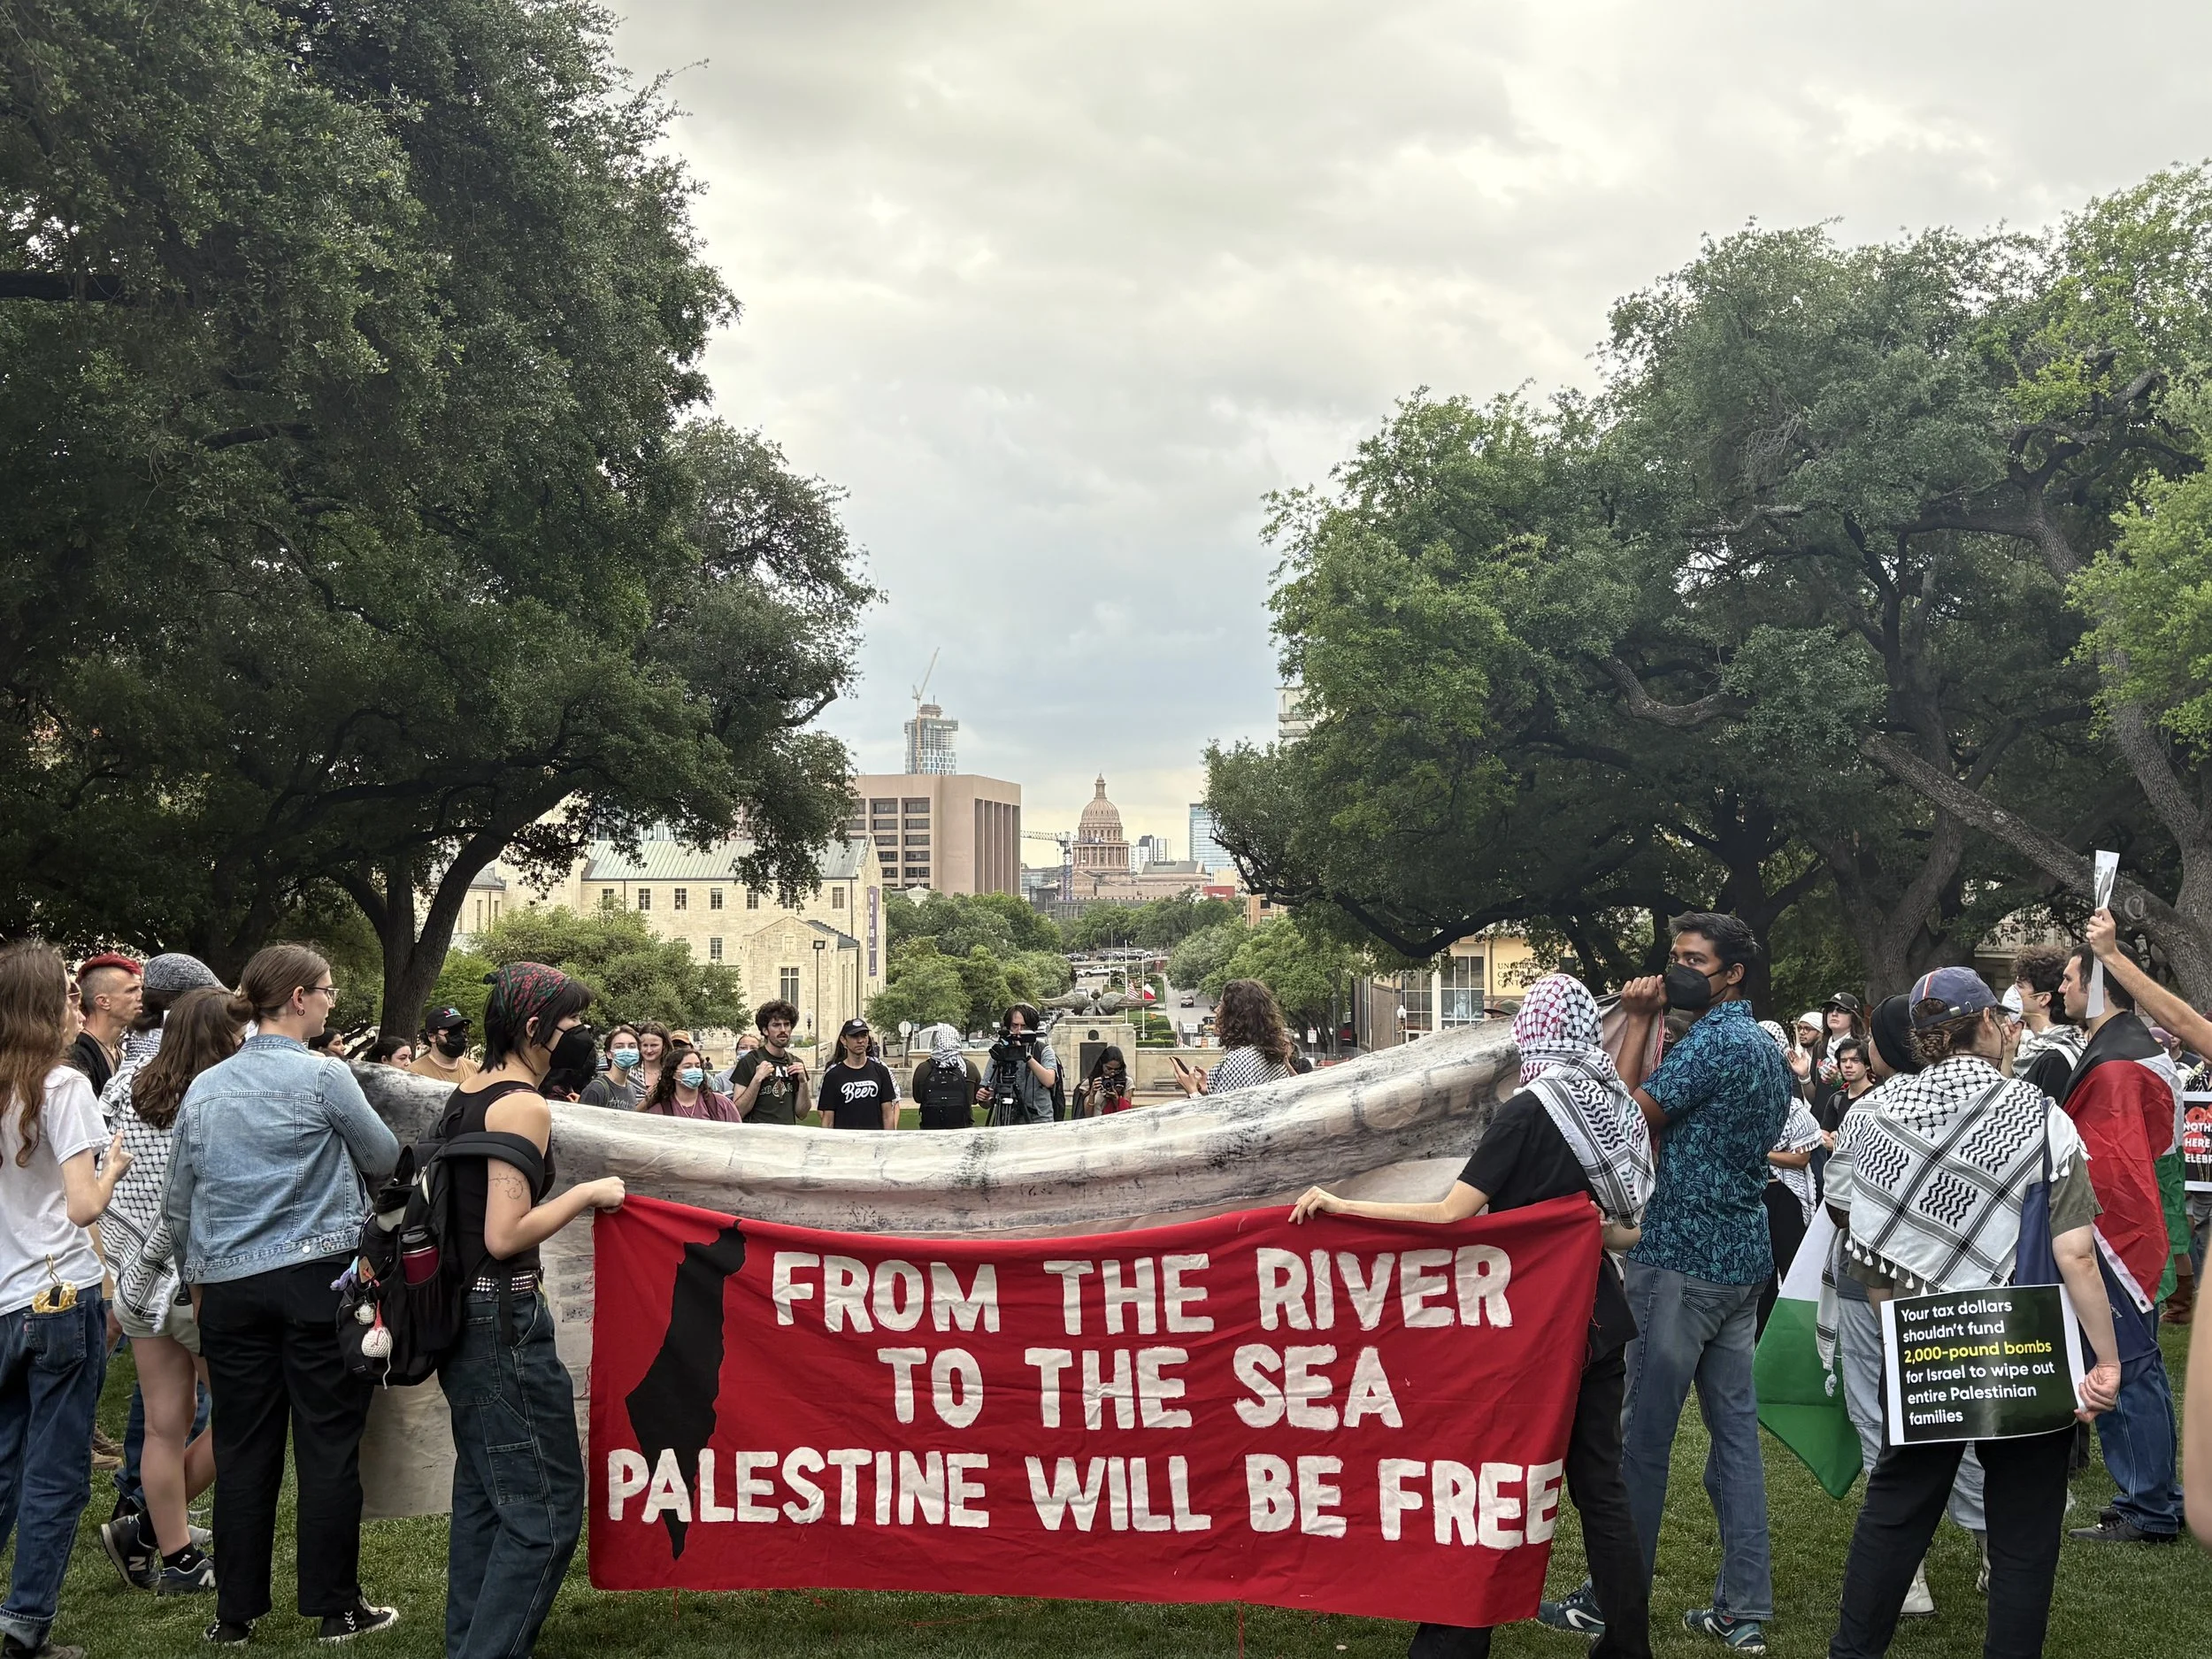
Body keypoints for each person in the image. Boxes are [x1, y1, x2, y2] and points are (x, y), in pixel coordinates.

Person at [1290, 972, 1653, 1659]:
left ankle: (1453, 1639)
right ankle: (1629, 1644)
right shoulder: (1614, 1108)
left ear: (1533, 1031)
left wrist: (1344, 1205)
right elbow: (1625, 1229)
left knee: (1485, 1478)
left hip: (1531, 1330)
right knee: (1599, 1489)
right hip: (1601, 1319)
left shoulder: (1529, 1110)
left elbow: (1452, 1213)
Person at [1825, 967, 2123, 1659]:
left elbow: (1867, 1250)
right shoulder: (2035, 1112)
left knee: (1894, 1513)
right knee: (2023, 1529)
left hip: (1921, 1340)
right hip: (2022, 1342)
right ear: (1989, 1022)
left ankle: (1853, 1651)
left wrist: (1905, 1333)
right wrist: (2106, 1360)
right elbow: (2075, 1252)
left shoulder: (1871, 1117)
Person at [1544, 912, 1786, 1655]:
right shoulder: (1769, 1046)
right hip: (1744, 1260)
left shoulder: (1712, 1042)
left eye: (1694, 958)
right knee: (1735, 1438)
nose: (1678, 967)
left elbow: (1618, 1120)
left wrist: (1640, 1019)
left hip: (1679, 1260)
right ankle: (1744, 1604)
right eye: (1674, 955)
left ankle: (1612, 1599)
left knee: (1638, 1444)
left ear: (1732, 971)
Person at [165, 943, 403, 1645]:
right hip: (315, 1278)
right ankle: (336, 1606)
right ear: (297, 997)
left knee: (243, 1447)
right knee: (328, 1443)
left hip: (230, 1286)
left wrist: (195, 1276)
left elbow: (180, 1200)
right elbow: (387, 1157)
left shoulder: (206, 1087)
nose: (333, 1001)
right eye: (327, 990)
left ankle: (233, 1614)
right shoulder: (326, 1078)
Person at [435, 964, 625, 1659]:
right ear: (536, 1028)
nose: (583, 1037)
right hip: (502, 1321)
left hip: (465, 1321)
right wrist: (588, 1193)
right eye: (572, 1025)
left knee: (485, 1502)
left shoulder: (467, 1089)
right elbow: (503, 1234)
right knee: (545, 1514)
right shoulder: (522, 1105)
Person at [1818, 1002, 1986, 1617]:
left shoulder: (1870, 1112)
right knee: (1958, 1410)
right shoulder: (1982, 1104)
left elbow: (1838, 1197)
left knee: (1875, 1416)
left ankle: (1907, 1572)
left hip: (1876, 1278)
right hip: (1959, 1279)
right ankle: (1992, 1543)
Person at [0, 941, 132, 1659]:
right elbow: (83, 1208)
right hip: (60, 1293)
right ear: (52, 1004)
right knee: (55, 1473)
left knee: (4, 1462)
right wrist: (111, 1168)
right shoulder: (62, 1087)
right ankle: (25, 1626)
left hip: (4, 1297)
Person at [98, 987, 237, 1596]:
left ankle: (171, 1548)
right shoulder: (212, 1099)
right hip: (195, 1277)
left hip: (136, 1278)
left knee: (163, 1425)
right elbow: (200, 1196)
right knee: (241, 1414)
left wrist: (125, 1266)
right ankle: (154, 1533)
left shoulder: (121, 1086)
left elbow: (108, 1184)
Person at [2051, 939, 2185, 1545]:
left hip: (2115, 1235)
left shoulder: (2117, 1065)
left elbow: (2109, 1167)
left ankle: (2146, 1507)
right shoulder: (2129, 1049)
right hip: (2131, 1230)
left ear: (2099, 983)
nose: (2061, 989)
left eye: (2071, 977)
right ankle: (2154, 1495)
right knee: (2138, 1368)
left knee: (2127, 1370)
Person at [1755, 1097, 1822, 1334]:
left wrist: (1763, 1153)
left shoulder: (1794, 1109)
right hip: (1756, 1195)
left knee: (1792, 1263)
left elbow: (1800, 1159)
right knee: (1764, 1269)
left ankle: (1804, 1330)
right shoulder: (1752, 1104)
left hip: (1786, 1196)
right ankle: (1764, 1333)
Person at [1170, 979, 1294, 1096]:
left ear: (1236, 1016)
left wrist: (1192, 1091)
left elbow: (1226, 1116)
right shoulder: (1268, 1052)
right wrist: (1215, 1084)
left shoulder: (1239, 1061)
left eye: (1221, 1005)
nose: (1216, 1011)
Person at [2010, 944, 2083, 1100]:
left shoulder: (2056, 1058)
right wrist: (2009, 1050)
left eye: (2020, 986)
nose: (2012, 992)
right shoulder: (2032, 1047)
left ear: (2043, 999)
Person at [66, 952, 142, 1098]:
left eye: (141, 989)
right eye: (132, 990)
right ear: (103, 1001)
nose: (141, 997)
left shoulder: (122, 1054)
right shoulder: (76, 1057)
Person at [978, 1003, 1059, 1125]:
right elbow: (987, 1101)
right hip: (1006, 1121)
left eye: (1024, 1026)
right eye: (1015, 1025)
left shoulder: (1043, 1050)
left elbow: (1049, 1080)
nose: (1019, 1031)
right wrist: (984, 1098)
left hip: (1038, 1121)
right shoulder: (1000, 1052)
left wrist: (1026, 1056)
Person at [729, 1002, 810, 1125]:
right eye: (776, 1025)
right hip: (757, 1139)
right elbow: (738, 1112)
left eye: (786, 1025)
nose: (783, 1030)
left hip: (788, 1139)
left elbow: (802, 1114)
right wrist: (757, 1080)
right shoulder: (751, 1061)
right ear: (765, 1030)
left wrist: (803, 1083)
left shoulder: (796, 1063)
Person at [819, 1021, 900, 1130]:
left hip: (874, 1143)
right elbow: (828, 1119)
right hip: (844, 1143)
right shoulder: (832, 1076)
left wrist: (888, 1142)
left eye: (864, 1035)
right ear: (843, 1040)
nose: (860, 1040)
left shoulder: (881, 1072)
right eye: (854, 1036)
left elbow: (887, 1115)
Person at [639, 1044, 738, 1123]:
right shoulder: (659, 1111)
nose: (694, 1070)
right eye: (688, 1067)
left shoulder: (721, 1104)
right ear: (674, 1074)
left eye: (697, 1066)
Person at [909, 1030, 979, 1131]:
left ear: (936, 1042)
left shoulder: (923, 1068)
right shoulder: (969, 1068)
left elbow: (918, 1098)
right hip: (963, 1128)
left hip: (931, 1129)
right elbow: (975, 1099)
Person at [411, 1007, 479, 1087]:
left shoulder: (476, 1070)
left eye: (462, 1028)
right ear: (431, 1036)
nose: (460, 1035)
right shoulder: (414, 1074)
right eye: (452, 1029)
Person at [579, 1025, 643, 1108]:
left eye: (632, 1046)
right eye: (619, 1047)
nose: (626, 1050)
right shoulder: (596, 1089)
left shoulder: (632, 1090)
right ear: (609, 1053)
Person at [1078, 1047, 1134, 1115]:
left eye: (1117, 1070)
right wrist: (1092, 1094)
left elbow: (1127, 1113)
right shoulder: (1089, 1083)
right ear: (1102, 1065)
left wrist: (1116, 1099)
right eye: (1108, 1068)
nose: (1112, 1073)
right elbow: (1088, 1115)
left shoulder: (1127, 1082)